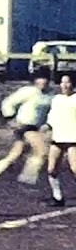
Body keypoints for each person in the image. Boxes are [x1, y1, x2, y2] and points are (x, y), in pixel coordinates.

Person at [0, 67, 54, 198]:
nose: (43, 82)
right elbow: (8, 103)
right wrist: (10, 119)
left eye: (45, 79)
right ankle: (27, 179)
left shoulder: (50, 95)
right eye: (40, 79)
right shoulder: (28, 92)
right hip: (24, 126)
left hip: (36, 127)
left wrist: (48, 124)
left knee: (13, 156)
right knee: (42, 151)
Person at [45, 74, 76, 207]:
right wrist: (46, 126)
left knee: (75, 168)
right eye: (62, 82)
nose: (64, 85)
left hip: (73, 137)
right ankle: (57, 197)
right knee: (52, 169)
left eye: (67, 82)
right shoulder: (57, 99)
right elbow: (52, 116)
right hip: (58, 137)